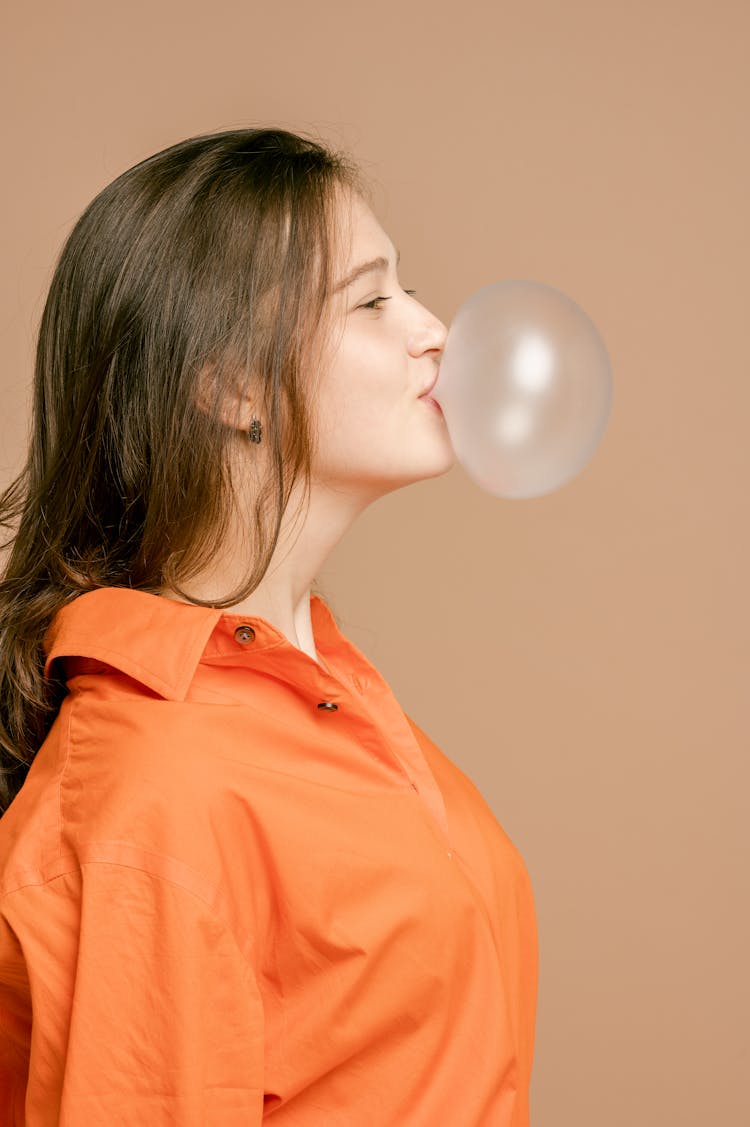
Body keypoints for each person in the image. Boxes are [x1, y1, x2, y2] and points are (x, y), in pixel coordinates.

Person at [0, 127, 538, 1125]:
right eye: (372, 299)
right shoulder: (156, 785)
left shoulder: (326, 692)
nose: (434, 330)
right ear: (230, 386)